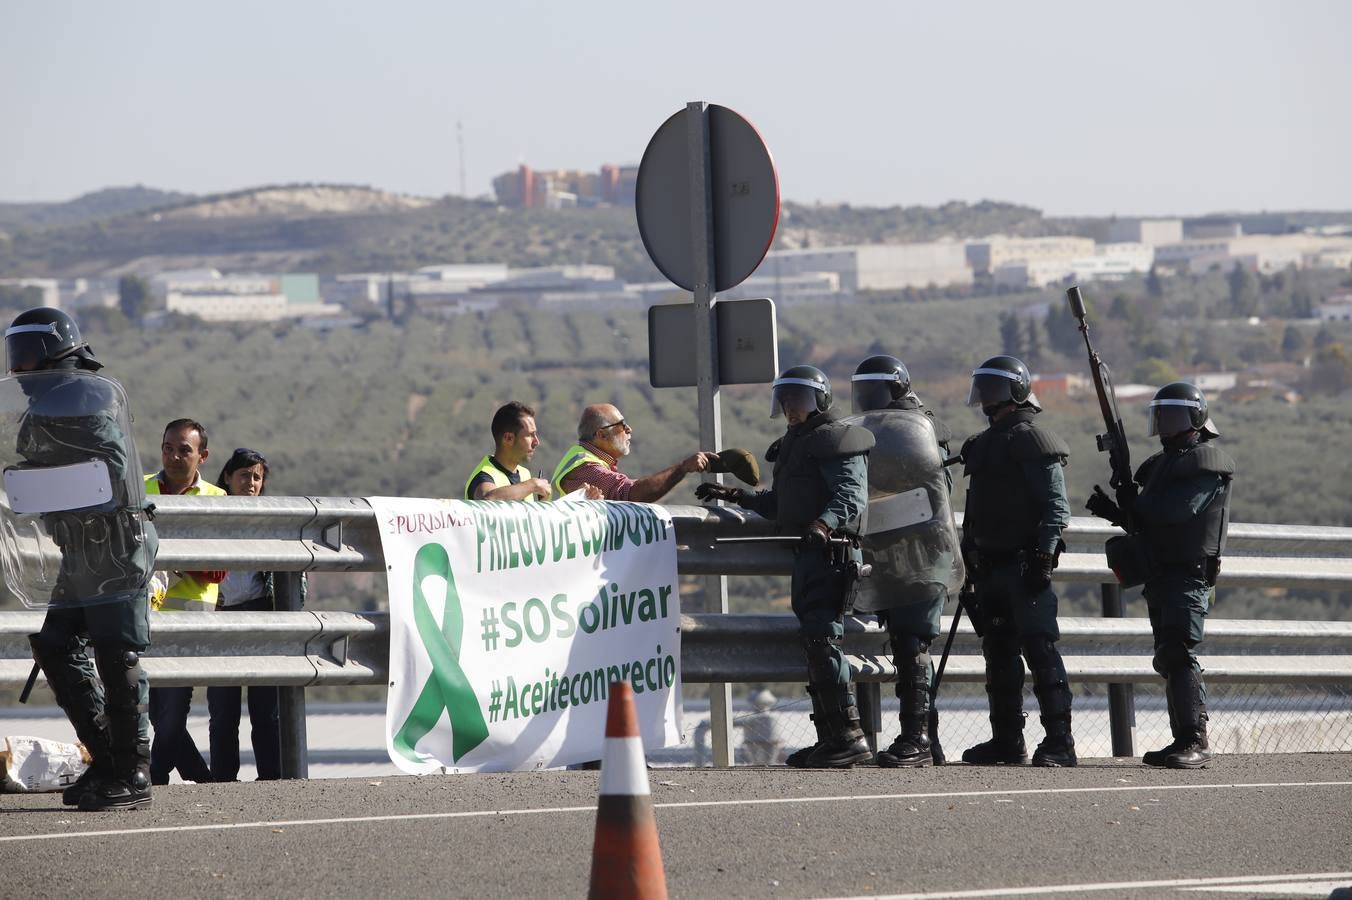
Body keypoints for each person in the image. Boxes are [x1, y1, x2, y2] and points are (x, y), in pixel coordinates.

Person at [5, 307, 159, 810]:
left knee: (118, 652)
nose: (21, 366)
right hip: (77, 547)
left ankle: (133, 774)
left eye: (30, 354)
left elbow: (108, 469)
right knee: (55, 644)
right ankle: (107, 761)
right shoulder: (42, 405)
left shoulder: (88, 394)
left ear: (57, 349)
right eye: (16, 354)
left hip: (115, 542)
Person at [695, 365, 875, 768]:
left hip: (832, 554)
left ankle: (848, 736)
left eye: (800, 399)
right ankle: (831, 737)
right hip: (808, 554)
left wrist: (824, 525)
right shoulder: (796, 443)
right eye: (787, 400)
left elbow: (850, 493)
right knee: (814, 643)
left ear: (821, 400)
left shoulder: (837, 439)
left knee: (824, 641)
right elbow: (782, 504)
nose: (792, 407)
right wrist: (737, 496)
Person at [1085, 382, 1234, 769]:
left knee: (1179, 652)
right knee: (1167, 655)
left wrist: (1135, 503)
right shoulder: (1157, 465)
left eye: (1175, 416)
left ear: (1197, 418)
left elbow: (1177, 512)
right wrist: (1115, 510)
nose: (1166, 424)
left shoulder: (1206, 462)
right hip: (1161, 574)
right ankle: (1180, 738)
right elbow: (1147, 523)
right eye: (1161, 416)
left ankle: (1195, 740)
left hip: (1189, 575)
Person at [958, 355, 1077, 767]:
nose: (988, 396)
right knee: (999, 653)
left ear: (1018, 390)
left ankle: (1060, 742)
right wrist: (968, 554)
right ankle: (1007, 740)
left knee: (1039, 651)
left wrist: (1043, 555)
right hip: (989, 566)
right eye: (984, 387)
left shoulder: (1032, 439)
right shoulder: (983, 444)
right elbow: (975, 509)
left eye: (995, 388)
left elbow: (1056, 507)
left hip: (1025, 564)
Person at [849, 354, 960, 767]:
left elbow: (934, 491)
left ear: (894, 389)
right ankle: (927, 739)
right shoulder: (874, 431)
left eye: (872, 391)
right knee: (904, 640)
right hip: (892, 552)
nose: (864, 399)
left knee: (913, 641)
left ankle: (917, 739)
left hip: (924, 551)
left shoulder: (922, 430)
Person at [206, 447, 306, 781]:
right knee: (223, 710)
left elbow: (293, 573)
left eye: (257, 477)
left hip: (262, 612)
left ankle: (271, 779)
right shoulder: (207, 515)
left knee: (266, 710)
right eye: (245, 475)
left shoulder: (270, 519)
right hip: (221, 615)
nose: (251, 483)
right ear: (228, 478)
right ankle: (222, 780)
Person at [145, 418, 226, 785]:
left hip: (191, 615)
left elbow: (219, 570)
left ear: (202, 456)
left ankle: (154, 775)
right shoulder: (141, 489)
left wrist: (169, 560)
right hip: (142, 612)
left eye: (184, 450)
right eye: (168, 448)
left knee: (173, 709)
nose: (174, 456)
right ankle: (200, 777)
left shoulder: (216, 499)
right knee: (151, 708)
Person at [550, 403, 712, 502]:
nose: (629, 429)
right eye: (621, 425)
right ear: (601, 434)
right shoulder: (587, 469)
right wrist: (682, 468)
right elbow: (632, 493)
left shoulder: (584, 459)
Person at [465, 401, 553, 501]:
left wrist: (542, 504)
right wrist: (533, 485)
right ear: (508, 438)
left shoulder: (525, 474)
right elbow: (487, 499)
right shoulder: (483, 476)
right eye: (530, 435)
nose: (536, 442)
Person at [737, 689, 784, 765]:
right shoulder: (756, 718)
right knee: (768, 763)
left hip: (756, 742)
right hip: (766, 742)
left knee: (761, 763)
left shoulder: (752, 718)